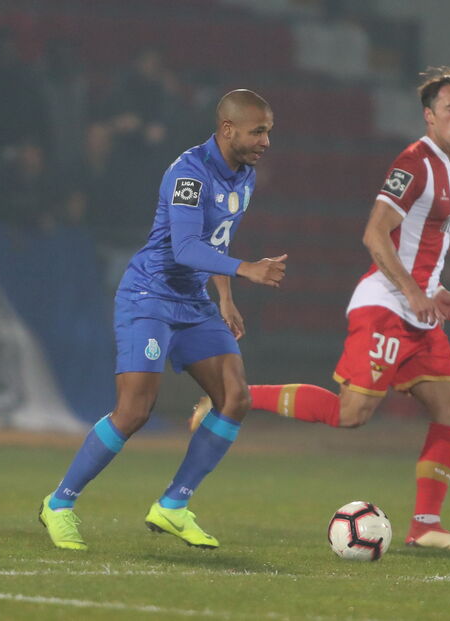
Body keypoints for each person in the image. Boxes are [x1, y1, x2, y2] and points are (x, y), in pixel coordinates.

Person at [193, 67, 450, 550]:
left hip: (417, 308)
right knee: (351, 414)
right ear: (429, 117)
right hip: (388, 308)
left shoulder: (448, 167)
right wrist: (413, 291)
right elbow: (374, 234)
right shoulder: (416, 162)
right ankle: (232, 395)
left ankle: (426, 526)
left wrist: (434, 288)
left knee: (449, 408)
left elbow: (416, 244)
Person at [38, 90, 287, 551]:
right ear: (228, 129)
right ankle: (58, 504)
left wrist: (226, 296)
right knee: (134, 411)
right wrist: (246, 269)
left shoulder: (245, 176)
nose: (266, 140)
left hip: (194, 302)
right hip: (149, 296)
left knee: (235, 396)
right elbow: (184, 248)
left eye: (269, 130)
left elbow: (216, 241)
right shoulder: (188, 173)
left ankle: (172, 506)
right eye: (259, 131)